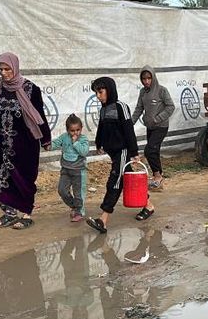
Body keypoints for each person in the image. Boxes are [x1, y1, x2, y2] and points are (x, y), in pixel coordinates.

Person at [0, 52, 52, 230]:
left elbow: (39, 116)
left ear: (15, 67)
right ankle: (9, 214)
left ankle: (27, 214)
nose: (4, 73)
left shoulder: (30, 89)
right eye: (1, 69)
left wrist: (46, 139)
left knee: (24, 181)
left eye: (7, 69)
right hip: (1, 146)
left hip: (25, 146)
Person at [86, 77, 156, 234]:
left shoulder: (120, 107)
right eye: (96, 92)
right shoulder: (104, 109)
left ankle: (103, 220)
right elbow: (102, 128)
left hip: (123, 151)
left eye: (100, 92)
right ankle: (148, 205)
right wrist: (98, 143)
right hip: (113, 153)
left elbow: (128, 130)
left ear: (109, 90)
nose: (98, 95)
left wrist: (134, 153)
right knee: (128, 180)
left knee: (115, 182)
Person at [131, 66, 176, 189]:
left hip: (161, 126)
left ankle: (157, 176)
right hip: (150, 127)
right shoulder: (143, 92)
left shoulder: (162, 90)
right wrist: (130, 124)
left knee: (149, 150)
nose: (146, 81)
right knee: (154, 151)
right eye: (144, 78)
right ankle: (158, 177)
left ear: (153, 77)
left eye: (149, 78)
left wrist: (158, 118)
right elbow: (139, 108)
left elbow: (170, 107)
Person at [52, 114, 90, 222]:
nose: (75, 133)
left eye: (78, 130)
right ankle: (74, 206)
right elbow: (55, 143)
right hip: (65, 170)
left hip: (79, 171)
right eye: (72, 131)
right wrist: (48, 145)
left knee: (79, 194)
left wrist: (75, 143)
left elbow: (84, 152)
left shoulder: (83, 139)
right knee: (62, 190)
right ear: (68, 130)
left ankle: (79, 212)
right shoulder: (64, 137)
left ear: (81, 129)